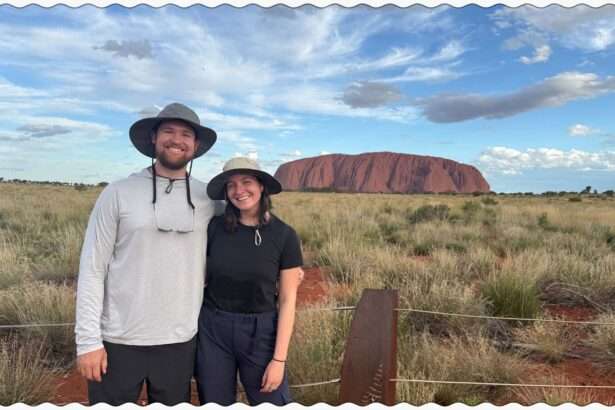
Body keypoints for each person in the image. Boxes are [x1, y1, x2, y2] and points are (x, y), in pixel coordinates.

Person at [75, 102, 220, 405]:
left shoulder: (209, 199)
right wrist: (88, 341)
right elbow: (92, 268)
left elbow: (250, 220)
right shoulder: (118, 192)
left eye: (185, 134)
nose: (176, 140)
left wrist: (286, 266)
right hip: (119, 339)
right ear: (154, 138)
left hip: (180, 341)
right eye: (168, 131)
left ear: (195, 145)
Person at [195, 157, 303, 405]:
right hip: (213, 328)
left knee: (271, 400)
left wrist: (279, 360)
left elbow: (287, 300)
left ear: (262, 185)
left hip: (261, 331)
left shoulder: (284, 236)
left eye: (246, 182)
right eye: (231, 185)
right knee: (214, 401)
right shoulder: (214, 228)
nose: (239, 191)